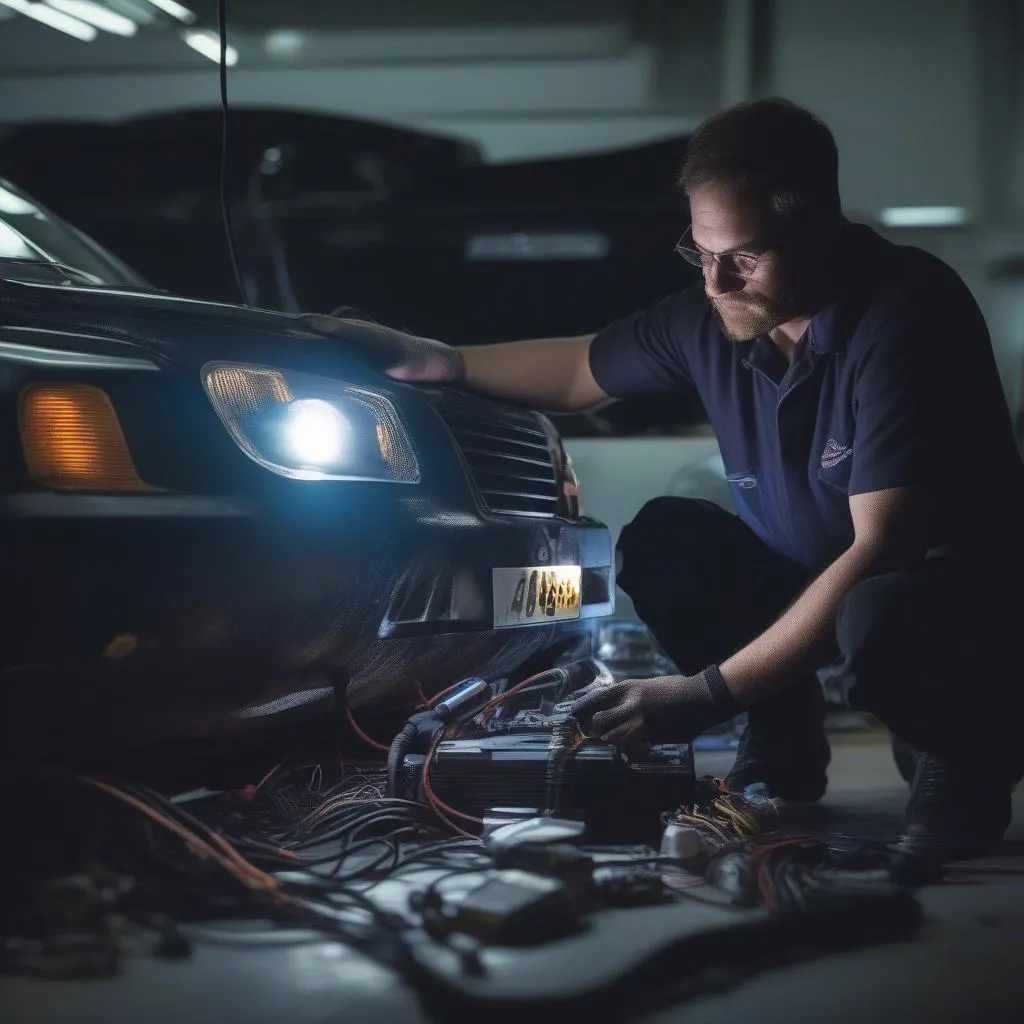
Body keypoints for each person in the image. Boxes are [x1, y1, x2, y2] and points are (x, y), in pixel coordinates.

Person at [302, 98, 1024, 860]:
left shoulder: (906, 314)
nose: (716, 280)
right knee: (668, 540)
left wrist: (705, 694)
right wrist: (435, 357)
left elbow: (878, 550)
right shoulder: (713, 315)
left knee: (882, 613)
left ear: (819, 225)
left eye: (742, 256)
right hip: (821, 587)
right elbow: (582, 367)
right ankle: (782, 738)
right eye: (699, 250)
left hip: (947, 605)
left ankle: (964, 755)